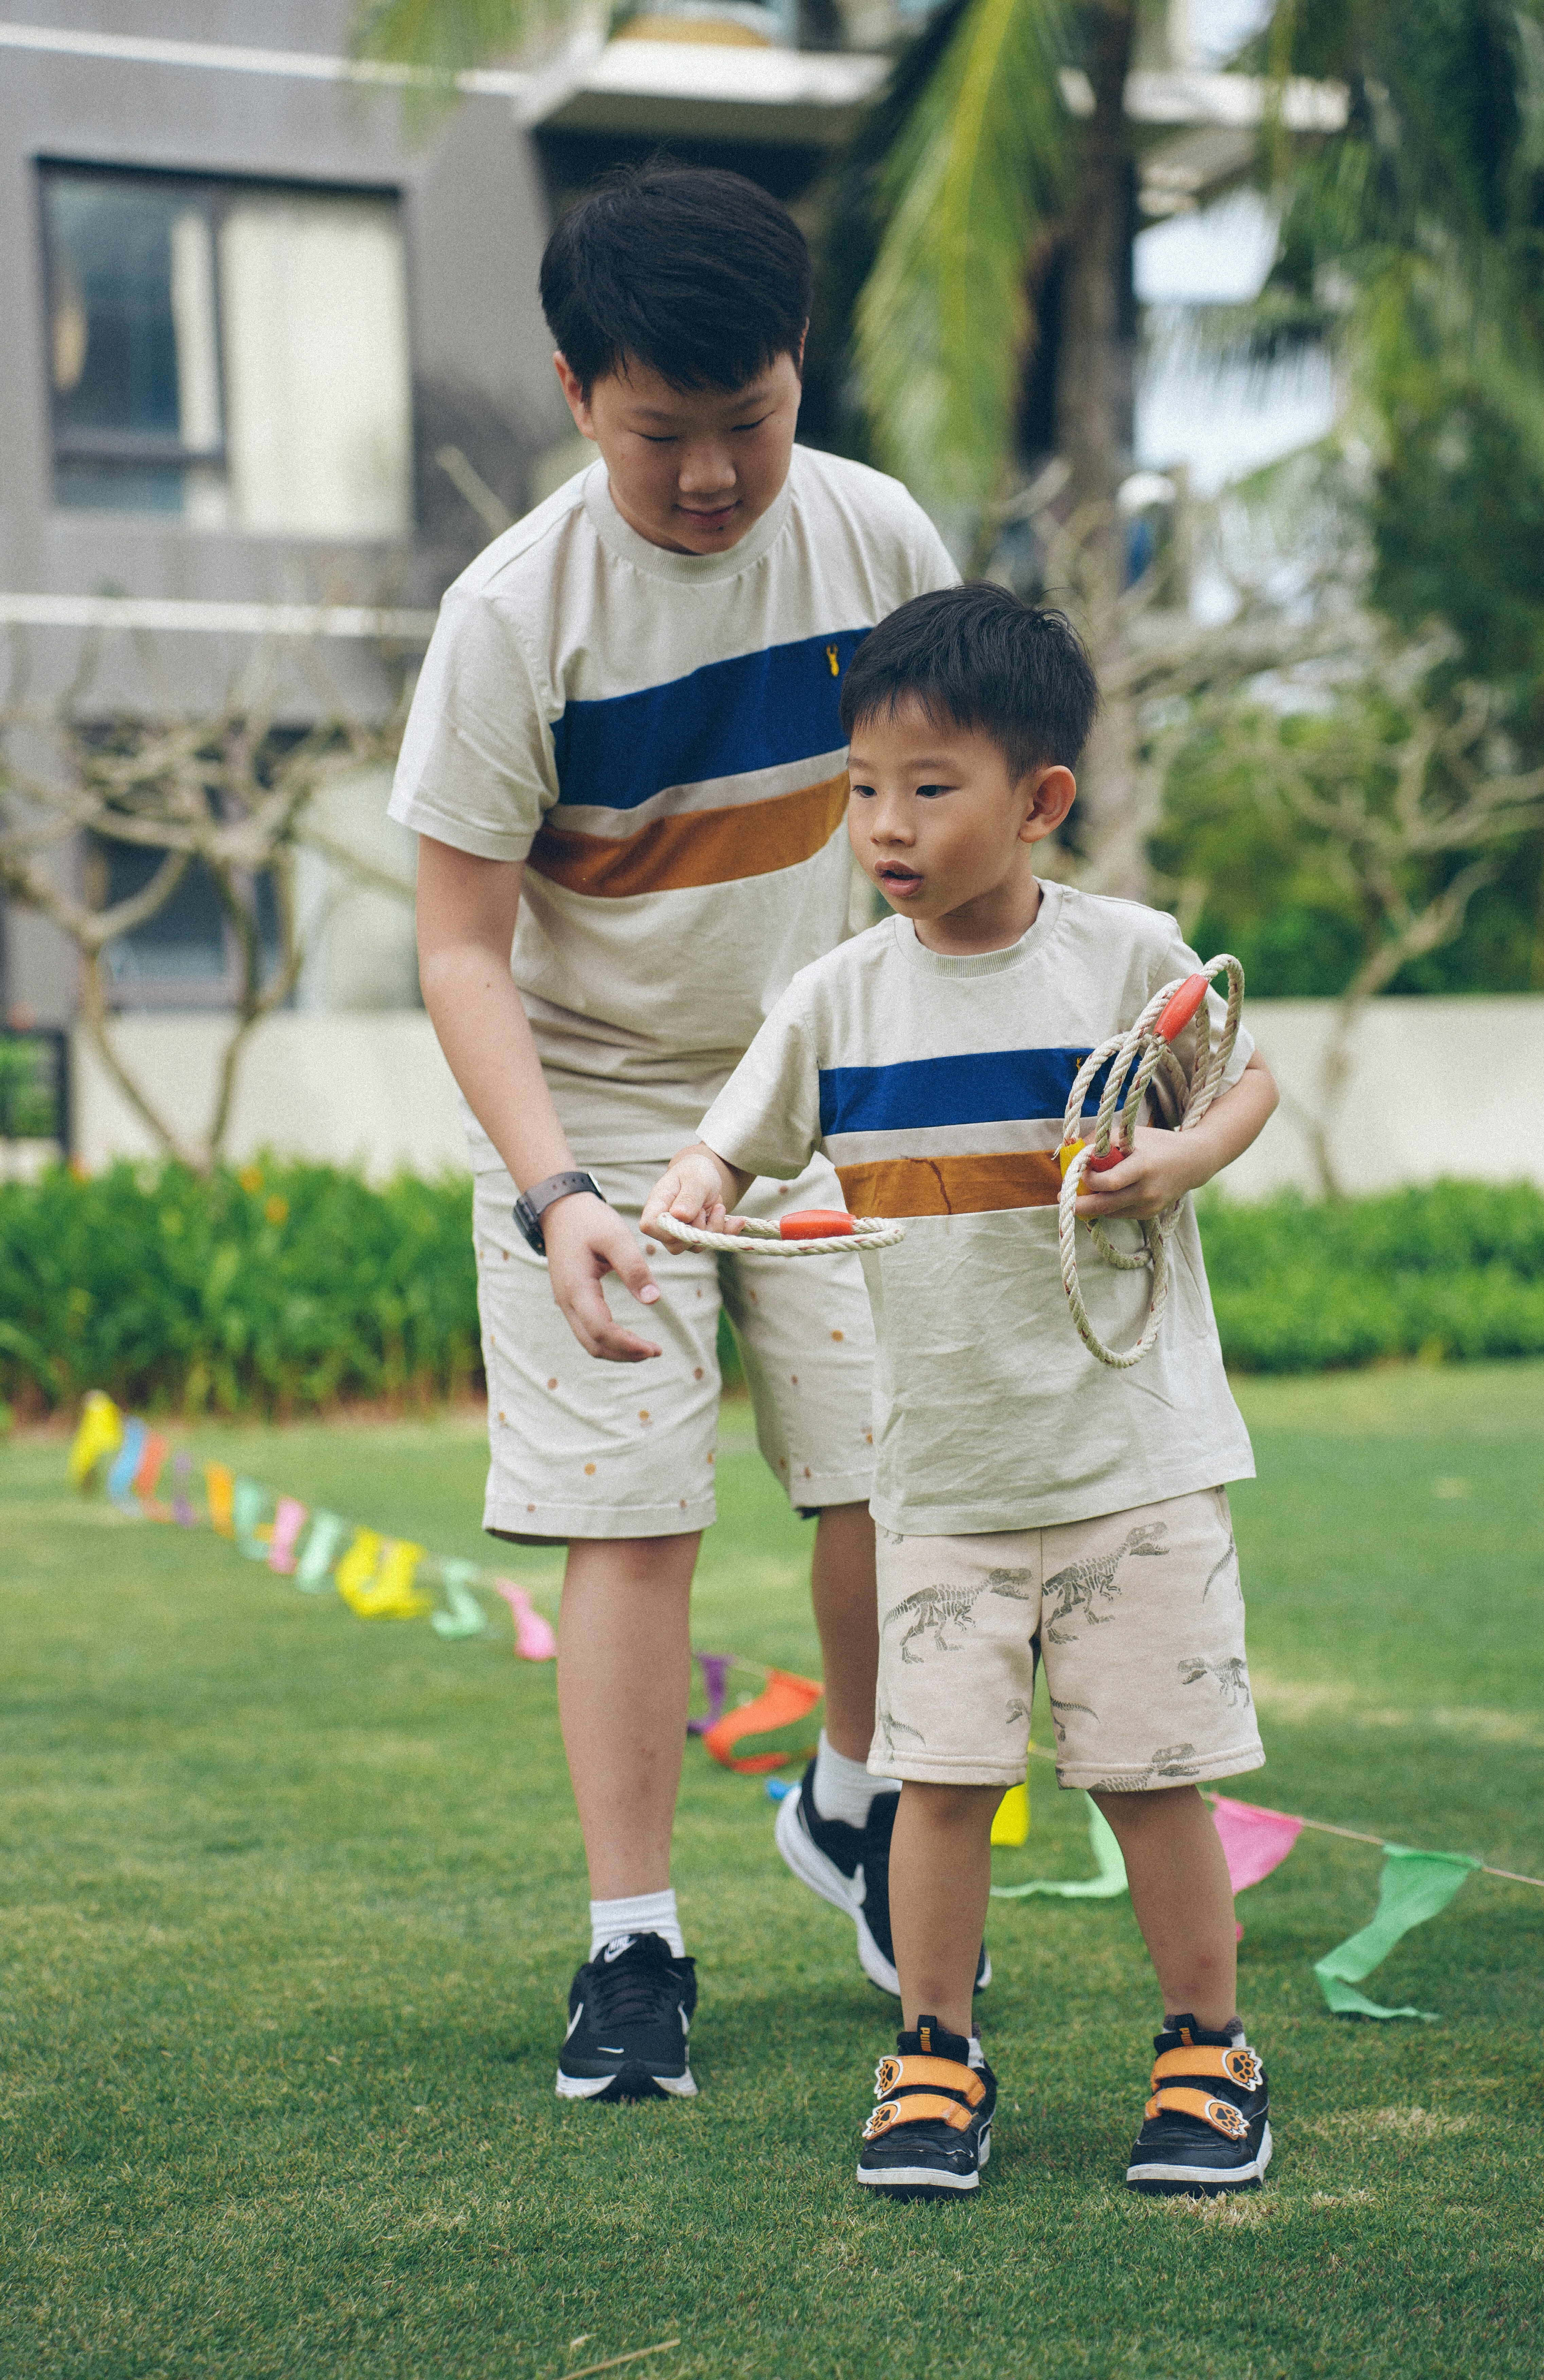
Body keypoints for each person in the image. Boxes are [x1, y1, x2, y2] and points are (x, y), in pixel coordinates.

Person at [389, 164, 958, 2104]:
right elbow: (460, 947)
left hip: (827, 1089)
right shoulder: (508, 618)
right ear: (575, 391)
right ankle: (636, 1946)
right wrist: (555, 1195)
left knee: (898, 1477)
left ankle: (858, 1803)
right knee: (630, 1525)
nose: (716, 477)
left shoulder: (877, 534)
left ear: (803, 370)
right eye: (664, 436)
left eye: (752, 422)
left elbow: (948, 822)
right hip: (604, 1114)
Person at [641, 582, 1282, 2199]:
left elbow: (1244, 1072)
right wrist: (702, 1180)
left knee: (1150, 1778)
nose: (886, 824)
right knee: (937, 1787)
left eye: (931, 789)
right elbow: (734, 1136)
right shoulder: (839, 999)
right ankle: (932, 2054)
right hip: (940, 1481)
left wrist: (1184, 1155)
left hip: (1133, 1464)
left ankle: (1207, 2051)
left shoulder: (1130, 960)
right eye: (864, 788)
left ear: (1039, 800)